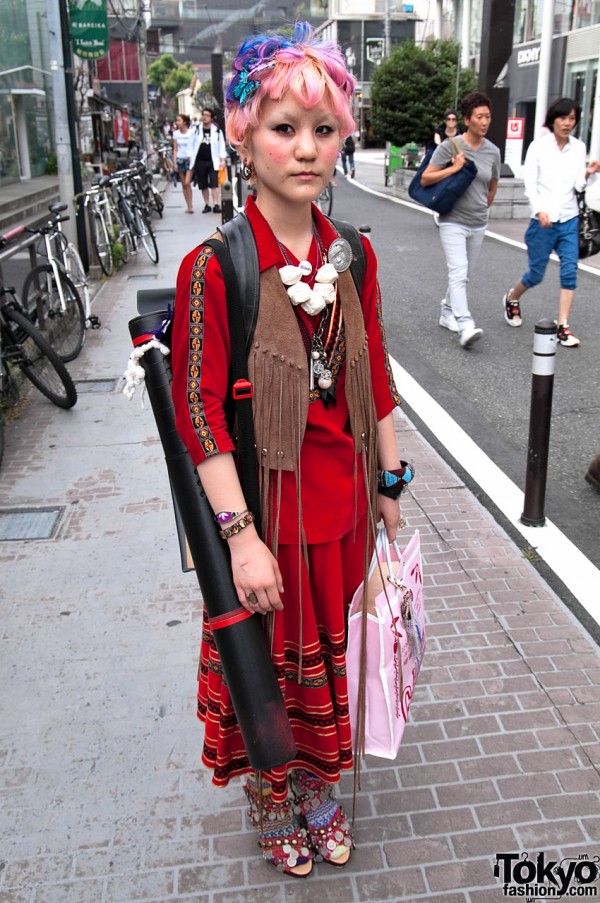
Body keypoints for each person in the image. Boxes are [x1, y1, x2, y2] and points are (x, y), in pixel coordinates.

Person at [171, 21, 405, 879]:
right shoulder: (217, 266)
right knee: (265, 669)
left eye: (324, 129)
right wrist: (239, 539)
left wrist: (391, 480)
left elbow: (373, 369)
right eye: (283, 128)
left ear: (344, 134)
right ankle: (275, 794)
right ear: (243, 133)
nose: (305, 149)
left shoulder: (355, 257)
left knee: (328, 665)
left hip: (342, 512)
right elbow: (198, 414)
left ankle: (316, 784)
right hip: (266, 518)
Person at [502, 98, 600, 347]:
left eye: (572, 119)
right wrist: (539, 210)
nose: (567, 123)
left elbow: (578, 185)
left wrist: (588, 174)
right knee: (536, 275)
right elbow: (530, 184)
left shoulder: (578, 147)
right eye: (563, 118)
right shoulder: (538, 147)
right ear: (553, 120)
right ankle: (512, 298)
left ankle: (562, 326)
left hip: (569, 218)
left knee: (570, 271)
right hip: (543, 221)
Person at [421, 91, 500, 348]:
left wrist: (482, 207)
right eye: (479, 116)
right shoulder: (451, 146)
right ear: (467, 119)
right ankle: (465, 324)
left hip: (478, 221)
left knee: (463, 275)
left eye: (488, 116)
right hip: (452, 219)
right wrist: (454, 168)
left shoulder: (493, 152)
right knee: (458, 271)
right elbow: (426, 178)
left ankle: (447, 311)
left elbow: (492, 185)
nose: (485, 121)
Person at [191, 107, 227, 213]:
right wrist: (190, 157)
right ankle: (207, 204)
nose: (204, 117)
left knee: (214, 183)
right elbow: (191, 144)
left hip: (213, 160)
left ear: (211, 118)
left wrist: (222, 159)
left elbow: (221, 146)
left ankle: (216, 204)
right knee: (203, 184)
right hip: (200, 161)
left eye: (207, 115)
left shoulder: (216, 131)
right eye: (203, 115)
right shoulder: (196, 130)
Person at [172, 114, 195, 214]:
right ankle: (188, 205)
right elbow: (175, 149)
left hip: (189, 159)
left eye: (179, 120)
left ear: (184, 122)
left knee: (187, 182)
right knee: (184, 185)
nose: (177, 122)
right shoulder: (176, 134)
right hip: (180, 159)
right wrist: (175, 162)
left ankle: (191, 205)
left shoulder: (191, 133)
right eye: (177, 120)